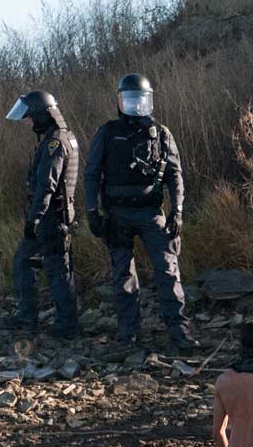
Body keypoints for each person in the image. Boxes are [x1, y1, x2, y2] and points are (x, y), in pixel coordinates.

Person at [83, 73, 200, 352]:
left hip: (151, 213)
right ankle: (128, 335)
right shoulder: (108, 132)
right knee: (123, 275)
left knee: (168, 271)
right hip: (117, 214)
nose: (135, 106)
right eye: (130, 100)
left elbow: (175, 175)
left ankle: (180, 333)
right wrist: (92, 211)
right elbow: (92, 174)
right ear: (120, 101)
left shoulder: (161, 133)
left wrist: (178, 211)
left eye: (140, 100)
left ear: (149, 101)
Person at [2, 90, 80, 338]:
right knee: (28, 262)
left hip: (51, 218)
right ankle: (30, 318)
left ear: (42, 116)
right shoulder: (60, 138)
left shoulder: (54, 143)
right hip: (53, 216)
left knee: (57, 269)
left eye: (30, 117)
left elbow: (47, 185)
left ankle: (66, 326)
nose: (28, 122)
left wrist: (34, 218)